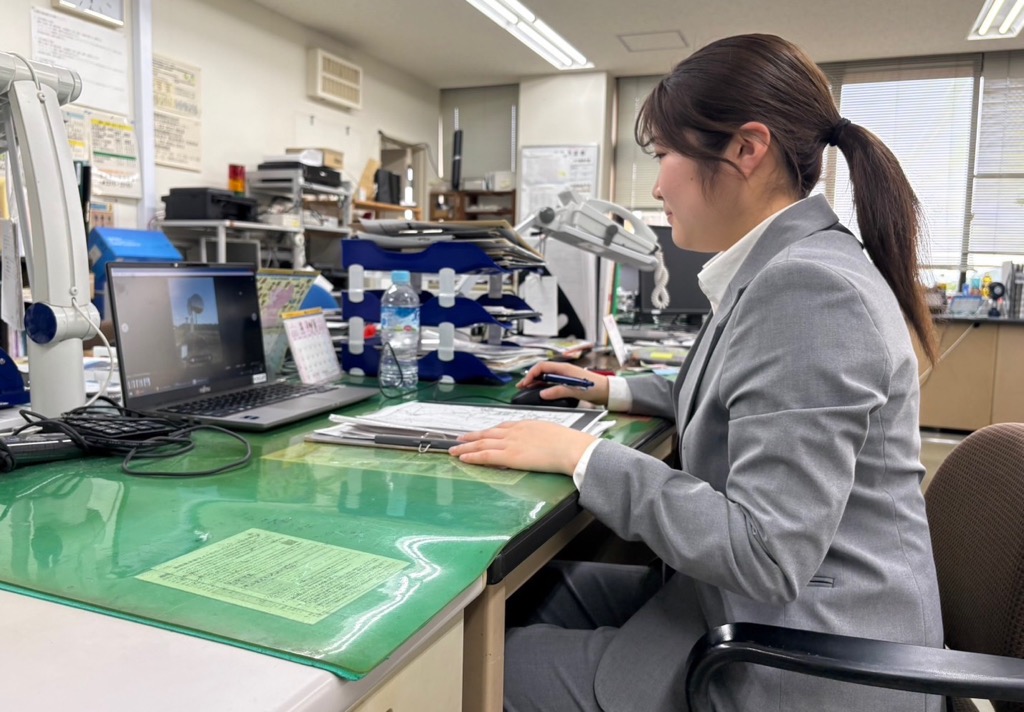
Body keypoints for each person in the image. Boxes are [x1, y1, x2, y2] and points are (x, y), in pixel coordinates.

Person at [449, 33, 943, 712]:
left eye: (664, 155)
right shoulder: (788, 267)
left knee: (471, 665)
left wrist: (581, 455)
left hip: (803, 658)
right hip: (750, 609)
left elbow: (767, 553)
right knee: (508, 606)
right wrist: (610, 389)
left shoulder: (810, 290)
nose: (656, 186)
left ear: (746, 148)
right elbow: (739, 395)